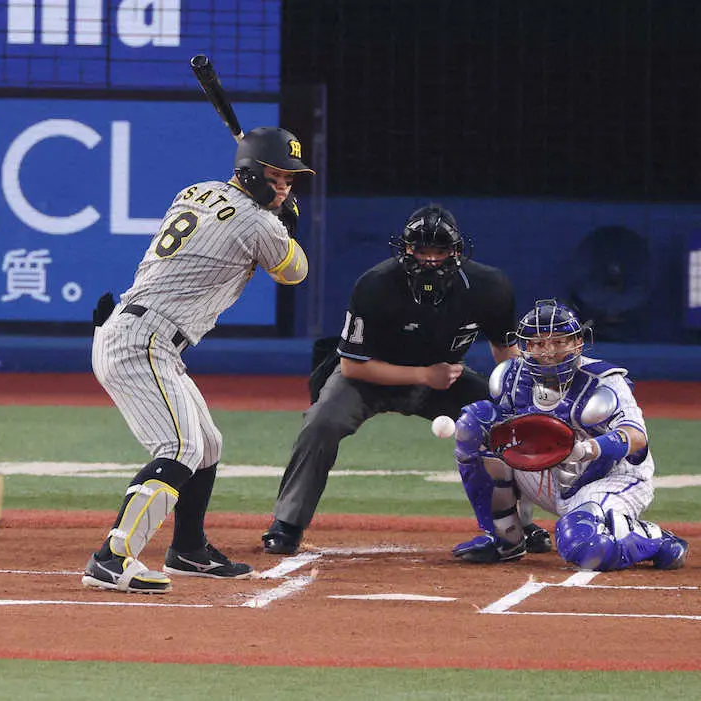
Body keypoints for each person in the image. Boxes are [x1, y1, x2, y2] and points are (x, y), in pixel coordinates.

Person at [82, 126, 315, 593]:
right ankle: (112, 557)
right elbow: (295, 272)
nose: (284, 187)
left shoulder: (198, 190)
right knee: (180, 448)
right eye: (276, 177)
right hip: (142, 340)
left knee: (206, 445)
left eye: (289, 180)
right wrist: (286, 227)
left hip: (146, 336)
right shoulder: (259, 224)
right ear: (250, 173)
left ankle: (188, 549)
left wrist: (276, 217)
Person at [262, 204, 552, 555]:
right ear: (406, 249)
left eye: (439, 250)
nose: (430, 259)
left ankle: (515, 524)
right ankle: (287, 522)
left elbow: (505, 352)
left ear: (456, 251)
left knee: (508, 422)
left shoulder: (489, 287)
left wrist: (523, 397)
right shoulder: (375, 284)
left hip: (443, 381)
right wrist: (424, 375)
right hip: (370, 377)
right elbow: (352, 367)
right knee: (321, 423)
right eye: (421, 249)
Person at [451, 299, 689, 569]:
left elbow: (636, 437)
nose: (548, 351)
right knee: (475, 425)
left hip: (608, 478)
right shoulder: (512, 377)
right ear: (525, 346)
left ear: (577, 342)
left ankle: (655, 538)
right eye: (538, 343)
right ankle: (505, 538)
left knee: (587, 549)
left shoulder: (604, 380)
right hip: (552, 475)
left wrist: (587, 449)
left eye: (558, 342)